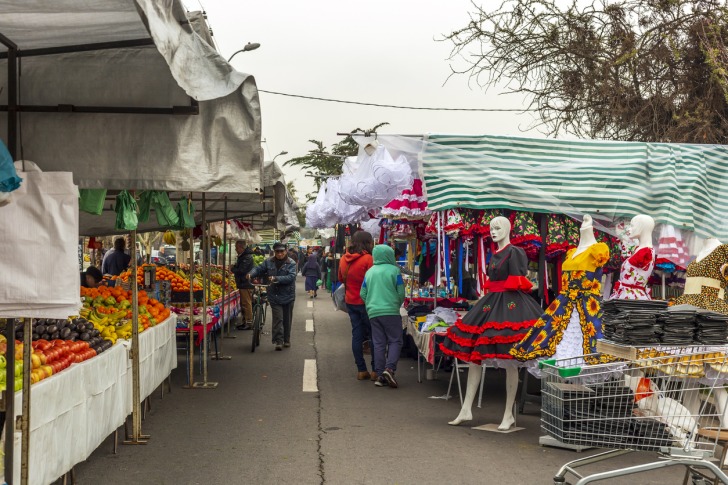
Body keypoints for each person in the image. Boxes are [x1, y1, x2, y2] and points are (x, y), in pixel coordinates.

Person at [360, 244, 406, 389]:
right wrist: (395, 304)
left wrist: (370, 305)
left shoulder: (369, 272)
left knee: (378, 343)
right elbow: (401, 293)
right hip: (391, 311)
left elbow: (362, 293)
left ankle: (380, 375)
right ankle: (389, 369)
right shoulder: (394, 271)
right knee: (395, 341)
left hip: (373, 313)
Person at [338, 230, 375, 381]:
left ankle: (361, 370)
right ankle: (375, 370)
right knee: (374, 336)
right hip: (366, 303)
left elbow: (341, 278)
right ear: (367, 242)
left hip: (350, 302)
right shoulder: (368, 259)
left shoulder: (343, 259)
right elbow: (373, 281)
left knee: (357, 336)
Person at [248, 242, 297, 351]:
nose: (280, 254)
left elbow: (291, 277)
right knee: (278, 318)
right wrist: (251, 273)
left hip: (288, 295)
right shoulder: (268, 261)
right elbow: (259, 268)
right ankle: (278, 341)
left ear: (285, 251)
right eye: (277, 252)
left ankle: (286, 339)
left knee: (287, 319)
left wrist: (276, 278)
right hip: (274, 295)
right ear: (274, 252)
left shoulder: (291, 263)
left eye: (282, 251)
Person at [231, 240, 255, 330]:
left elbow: (242, 270)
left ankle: (249, 322)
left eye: (236, 248)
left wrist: (233, 269)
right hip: (243, 283)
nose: (236, 249)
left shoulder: (247, 257)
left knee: (246, 303)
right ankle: (245, 321)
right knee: (243, 303)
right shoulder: (244, 256)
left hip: (246, 283)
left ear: (241, 247)